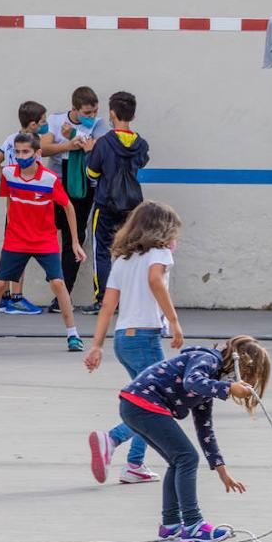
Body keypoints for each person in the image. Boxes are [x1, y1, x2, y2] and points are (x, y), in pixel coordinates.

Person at [115, 336, 269, 542]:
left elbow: (205, 431)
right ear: (238, 362)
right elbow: (192, 381)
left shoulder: (208, 387)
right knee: (187, 457)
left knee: (178, 460)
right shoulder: (207, 359)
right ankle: (193, 525)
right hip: (143, 404)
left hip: (135, 406)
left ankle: (171, 525)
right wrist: (228, 388)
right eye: (249, 374)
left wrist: (222, 472)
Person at [83, 201, 186, 485]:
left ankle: (135, 465)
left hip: (123, 340)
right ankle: (112, 439)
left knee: (146, 402)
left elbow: (106, 306)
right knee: (156, 403)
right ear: (163, 230)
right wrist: (174, 321)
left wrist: (96, 345)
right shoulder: (160, 253)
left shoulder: (122, 260)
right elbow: (155, 280)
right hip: (145, 337)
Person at [0, 133, 87, 352]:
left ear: (37, 153)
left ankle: (73, 335)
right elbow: (10, 200)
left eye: (25, 152)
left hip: (44, 240)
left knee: (58, 283)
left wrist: (75, 242)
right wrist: (11, 230)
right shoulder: (8, 174)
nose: (20, 156)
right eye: (17, 152)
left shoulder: (49, 179)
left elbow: (68, 207)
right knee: (0, 285)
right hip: (16, 239)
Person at [83, 91, 150, 314]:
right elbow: (141, 163)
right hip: (132, 206)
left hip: (105, 203)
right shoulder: (141, 144)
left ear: (111, 113)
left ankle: (103, 299)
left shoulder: (103, 144)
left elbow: (92, 174)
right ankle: (129, 298)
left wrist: (88, 153)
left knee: (101, 250)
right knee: (129, 251)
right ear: (134, 115)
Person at [41, 86, 108, 311]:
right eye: (87, 113)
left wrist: (76, 137)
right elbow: (44, 148)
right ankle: (53, 281)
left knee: (74, 236)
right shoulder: (56, 119)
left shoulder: (99, 125)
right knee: (47, 232)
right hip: (57, 183)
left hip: (83, 187)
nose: (91, 117)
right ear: (75, 109)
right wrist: (69, 144)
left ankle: (63, 295)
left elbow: (97, 149)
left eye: (94, 112)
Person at [0, 100, 50, 315]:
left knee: (13, 247)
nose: (45, 124)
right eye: (42, 121)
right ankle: (16, 297)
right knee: (19, 248)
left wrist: (8, 182)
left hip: (20, 204)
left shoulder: (10, 139)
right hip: (22, 205)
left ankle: (6, 296)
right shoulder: (29, 143)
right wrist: (9, 182)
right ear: (32, 124)